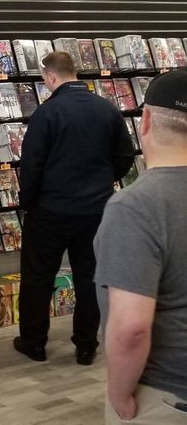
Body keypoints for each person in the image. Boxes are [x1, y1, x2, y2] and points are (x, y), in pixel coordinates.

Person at [14, 51, 134, 364]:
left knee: (38, 276)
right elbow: (126, 155)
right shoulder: (107, 109)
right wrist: (105, 181)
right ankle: (86, 344)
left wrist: (29, 202)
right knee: (90, 276)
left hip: (49, 210)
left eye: (44, 78)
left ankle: (34, 342)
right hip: (95, 210)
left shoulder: (46, 113)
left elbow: (31, 165)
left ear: (51, 76)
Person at [94, 68, 187, 423]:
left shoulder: (136, 206)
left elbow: (131, 327)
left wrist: (119, 394)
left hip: (166, 394)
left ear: (145, 121)